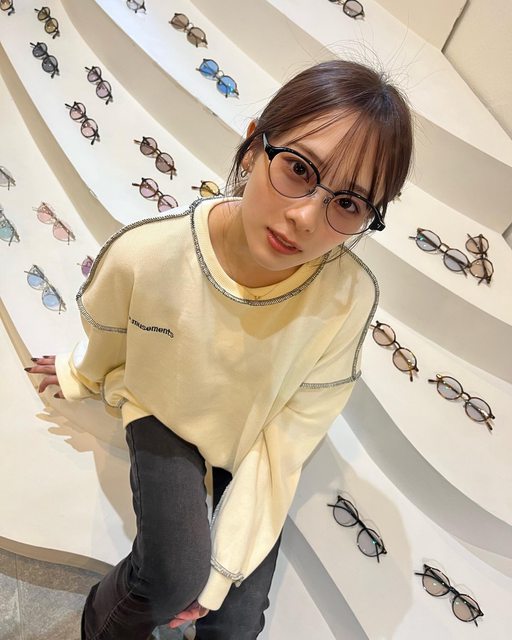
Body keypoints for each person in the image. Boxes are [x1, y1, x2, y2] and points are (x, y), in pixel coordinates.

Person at [26, 59, 413, 639]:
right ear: (254, 146)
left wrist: (225, 570)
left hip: (255, 436)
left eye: (349, 204)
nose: (306, 217)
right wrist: (80, 373)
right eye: (299, 169)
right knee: (172, 574)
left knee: (234, 621)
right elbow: (110, 333)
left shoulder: (346, 298)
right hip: (164, 408)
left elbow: (289, 435)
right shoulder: (149, 254)